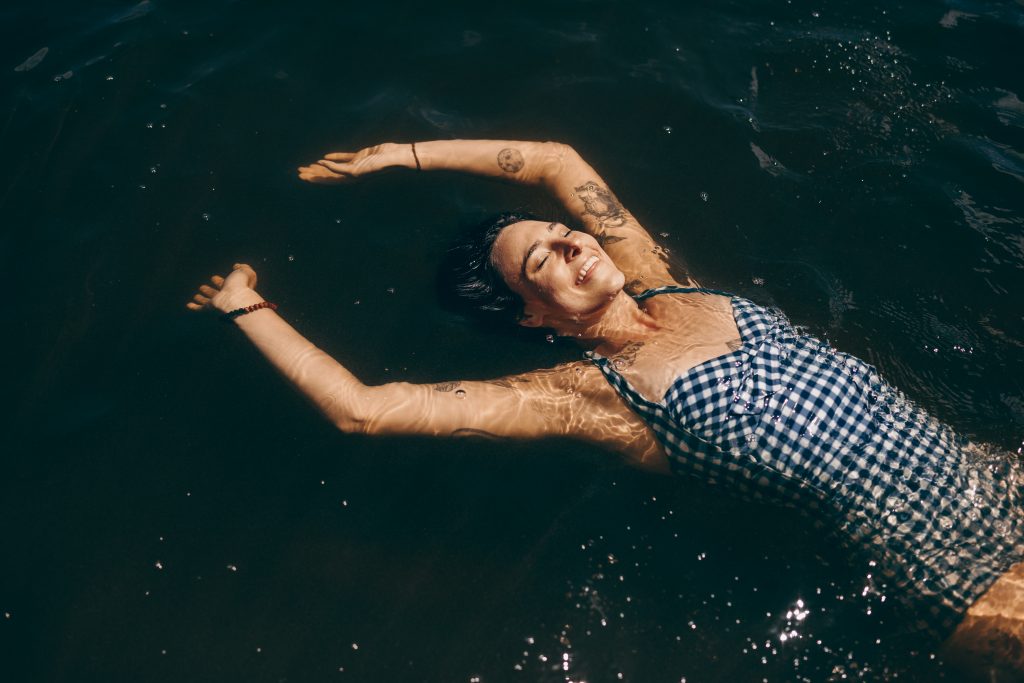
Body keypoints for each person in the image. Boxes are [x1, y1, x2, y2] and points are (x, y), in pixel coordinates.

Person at [188, 139, 1024, 680]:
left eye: (562, 232)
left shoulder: (657, 274)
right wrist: (243, 303)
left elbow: (556, 159)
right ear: (530, 315)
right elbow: (364, 408)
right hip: (961, 582)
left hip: (995, 477)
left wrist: (400, 154)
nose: (574, 243)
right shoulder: (589, 398)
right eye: (541, 261)